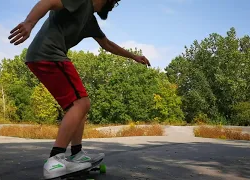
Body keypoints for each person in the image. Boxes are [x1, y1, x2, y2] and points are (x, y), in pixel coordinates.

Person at [8, 0, 151, 179]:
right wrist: (29, 22)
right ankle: (55, 159)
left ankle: (76, 153)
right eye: (114, 1)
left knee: (80, 106)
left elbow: (107, 44)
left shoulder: (89, 20)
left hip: (47, 56)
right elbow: (49, 1)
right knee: (81, 103)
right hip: (48, 54)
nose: (114, 5)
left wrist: (133, 56)